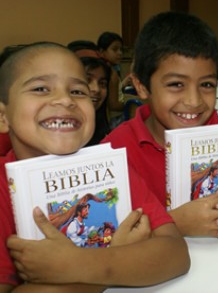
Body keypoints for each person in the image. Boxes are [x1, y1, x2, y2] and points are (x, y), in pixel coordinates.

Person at [0, 42, 190, 292]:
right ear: (3, 117)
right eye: (40, 88)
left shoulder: (110, 169)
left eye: (78, 92)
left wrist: (78, 265)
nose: (65, 100)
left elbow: (175, 255)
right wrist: (122, 258)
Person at [102, 11, 218, 238]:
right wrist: (174, 224)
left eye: (207, 85)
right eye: (177, 84)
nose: (194, 101)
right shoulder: (113, 152)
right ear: (141, 86)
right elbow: (110, 239)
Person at [97, 32, 126, 128]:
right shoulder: (111, 73)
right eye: (115, 49)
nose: (120, 53)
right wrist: (130, 103)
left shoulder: (106, 69)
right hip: (114, 120)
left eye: (121, 50)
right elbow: (113, 105)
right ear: (102, 52)